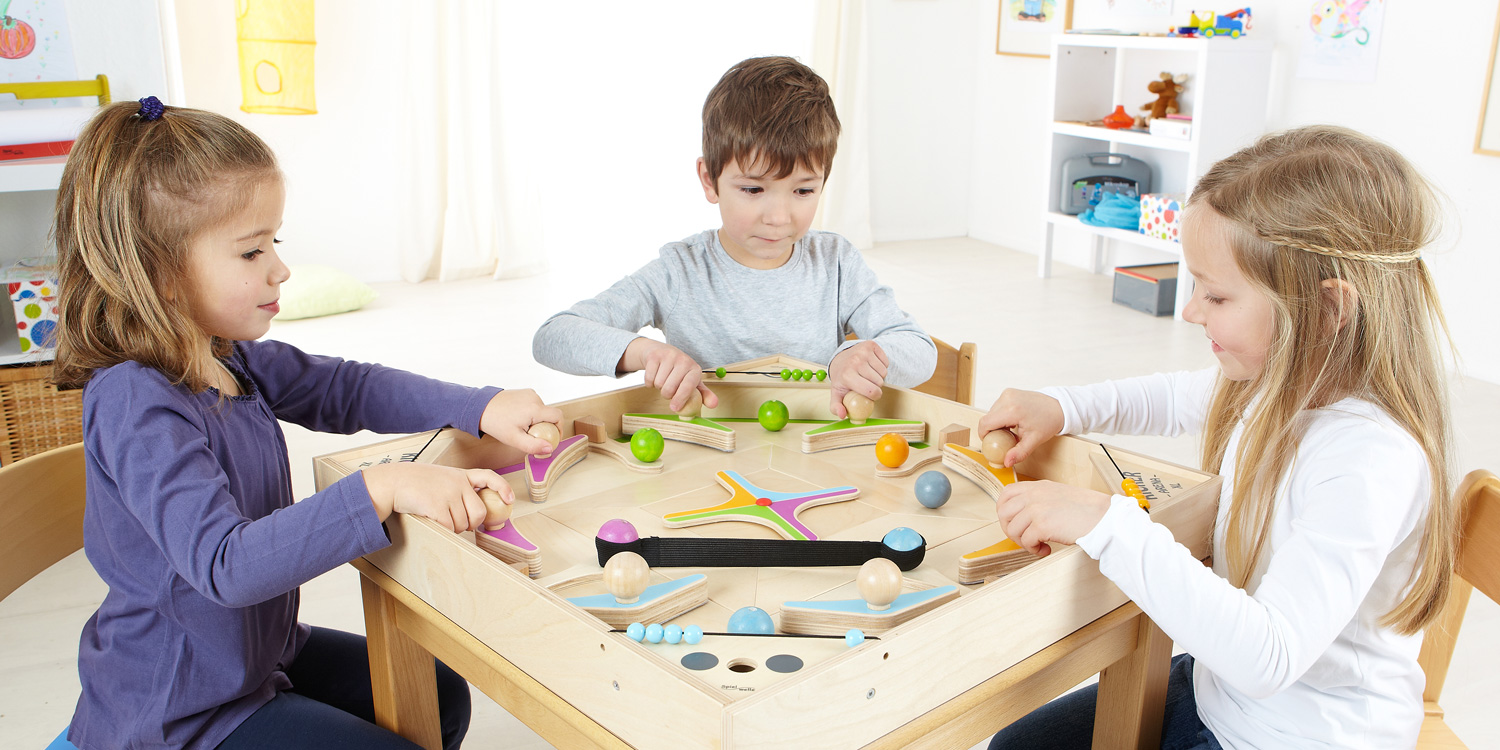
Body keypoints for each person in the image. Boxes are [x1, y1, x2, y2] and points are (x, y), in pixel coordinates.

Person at [52, 97, 562, 750]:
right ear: (162, 273)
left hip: (255, 662)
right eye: (250, 251)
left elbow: (348, 387)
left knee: (438, 697)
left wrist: (481, 405)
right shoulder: (133, 400)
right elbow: (225, 564)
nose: (280, 267)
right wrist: (383, 487)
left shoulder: (225, 356)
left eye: (275, 242)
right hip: (177, 714)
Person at [978, 126, 1457, 750]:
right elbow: (1174, 397)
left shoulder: (1370, 460)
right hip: (1216, 688)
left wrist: (1106, 523)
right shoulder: (1276, 380)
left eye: (1217, 294)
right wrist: (1063, 407)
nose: (1191, 310)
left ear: (1328, 309)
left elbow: (1270, 656)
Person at [532, 56, 935, 418]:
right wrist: (644, 352)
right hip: (704, 463)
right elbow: (553, 336)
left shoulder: (837, 262)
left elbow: (919, 348)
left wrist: (864, 356)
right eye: (753, 190)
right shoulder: (680, 271)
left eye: (803, 191)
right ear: (710, 180)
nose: (778, 218)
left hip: (814, 460)